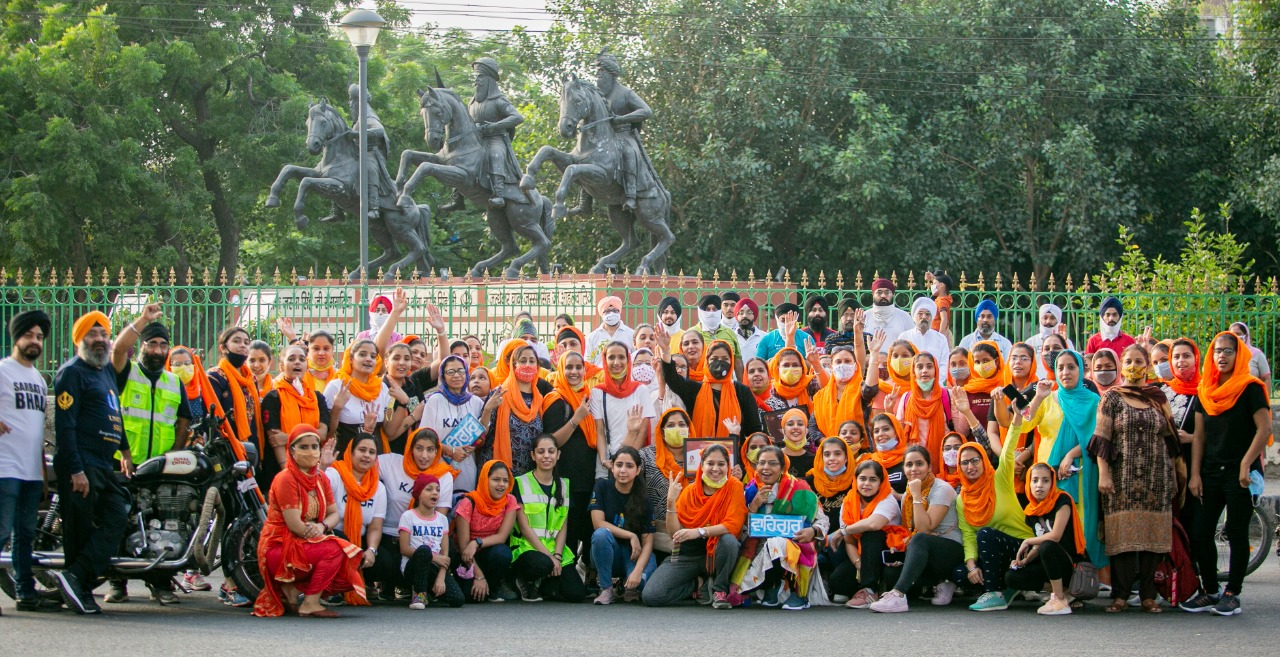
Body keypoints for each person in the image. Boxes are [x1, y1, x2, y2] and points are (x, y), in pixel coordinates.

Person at [104, 306, 195, 604]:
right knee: (121, 521)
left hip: (161, 467)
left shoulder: (174, 381)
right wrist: (143, 321)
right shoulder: (126, 372)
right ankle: (117, 583)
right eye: (152, 343)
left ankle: (161, 582)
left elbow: (184, 421)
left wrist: (175, 455)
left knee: (164, 522)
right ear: (142, 345)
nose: (157, 349)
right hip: (124, 462)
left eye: (162, 345)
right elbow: (118, 348)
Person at [1182, 331, 1272, 616]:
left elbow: (1264, 429)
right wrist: (1195, 474)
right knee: (1200, 532)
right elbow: (1199, 437)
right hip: (1210, 472)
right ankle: (1210, 590)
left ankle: (1232, 593)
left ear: (1240, 355)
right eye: (1218, 351)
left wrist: (1246, 464)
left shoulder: (1250, 388)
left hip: (1240, 473)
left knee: (1235, 532)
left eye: (1229, 351)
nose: (1222, 356)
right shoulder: (1205, 391)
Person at [50, 311, 130, 615]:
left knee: (116, 517)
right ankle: (78, 589)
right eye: (93, 335)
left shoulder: (105, 371)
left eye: (104, 334)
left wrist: (124, 450)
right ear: (79, 340)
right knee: (79, 530)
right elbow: (65, 426)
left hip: (104, 462)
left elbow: (114, 413)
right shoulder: (72, 372)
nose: (100, 340)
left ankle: (75, 578)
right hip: (82, 461)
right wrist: (75, 470)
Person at [1088, 344, 1175, 614]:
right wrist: (1104, 474)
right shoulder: (1112, 398)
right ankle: (1121, 596)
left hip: (1156, 479)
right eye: (1129, 361)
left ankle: (1149, 596)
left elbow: (1171, 438)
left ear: (1148, 364)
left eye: (1139, 361)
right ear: (1122, 365)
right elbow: (1101, 438)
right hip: (1121, 480)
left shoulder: (1157, 397)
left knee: (1152, 538)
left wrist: (1176, 476)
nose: (1134, 366)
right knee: (1122, 539)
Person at [253, 424, 365, 618]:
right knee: (336, 550)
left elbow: (334, 514)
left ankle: (294, 590)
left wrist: (321, 526)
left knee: (350, 572)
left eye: (314, 446)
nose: (310, 451)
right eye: (303, 447)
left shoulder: (321, 478)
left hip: (307, 541)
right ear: (291, 451)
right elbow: (295, 525)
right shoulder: (285, 479)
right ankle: (310, 603)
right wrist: (317, 534)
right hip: (280, 548)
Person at [1012, 351, 1106, 569]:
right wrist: (1038, 396)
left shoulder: (1093, 401)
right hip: (1047, 474)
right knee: (1049, 524)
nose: (1065, 372)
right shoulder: (1048, 399)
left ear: (1081, 370)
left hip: (1080, 470)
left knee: (1079, 520)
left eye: (1071, 367)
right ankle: (1055, 576)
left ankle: (1082, 575)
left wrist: (1071, 455)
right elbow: (1025, 425)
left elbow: (1096, 435)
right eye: (1060, 367)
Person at [0, 310, 60, 613]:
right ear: (17, 338)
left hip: (30, 471)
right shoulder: (3, 370)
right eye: (29, 335)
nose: (35, 341)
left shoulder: (37, 377)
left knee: (25, 536)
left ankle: (25, 592)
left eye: (39, 337)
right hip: (4, 468)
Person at [643, 444, 746, 609]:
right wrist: (671, 502)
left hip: (717, 554)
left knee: (729, 541)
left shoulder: (734, 486)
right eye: (710, 463)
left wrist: (699, 532)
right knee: (652, 596)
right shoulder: (690, 490)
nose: (715, 468)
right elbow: (674, 533)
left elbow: (732, 525)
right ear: (702, 465)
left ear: (728, 466)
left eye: (721, 464)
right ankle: (698, 585)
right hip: (688, 554)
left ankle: (719, 589)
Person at [868, 445, 964, 613]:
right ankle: (942, 583)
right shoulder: (908, 494)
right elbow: (909, 531)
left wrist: (918, 495)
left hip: (951, 550)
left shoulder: (942, 489)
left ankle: (898, 595)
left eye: (919, 464)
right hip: (926, 548)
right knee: (891, 573)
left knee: (920, 539)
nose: (913, 469)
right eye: (909, 464)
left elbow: (924, 528)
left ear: (929, 467)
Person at [733, 446, 823, 610]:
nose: (766, 468)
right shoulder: (750, 490)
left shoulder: (799, 488)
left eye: (772, 463)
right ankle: (770, 587)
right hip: (756, 549)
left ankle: (798, 593)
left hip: (794, 548)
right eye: (762, 463)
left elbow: (822, 521)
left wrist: (813, 531)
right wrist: (753, 505)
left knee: (777, 543)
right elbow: (740, 527)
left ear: (782, 468)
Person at [373, 428, 456, 599]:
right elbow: (360, 466)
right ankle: (394, 583)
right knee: (384, 564)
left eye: (430, 449)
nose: (424, 455)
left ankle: (421, 587)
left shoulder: (443, 475)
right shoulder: (391, 463)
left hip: (425, 539)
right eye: (419, 448)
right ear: (410, 449)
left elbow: (439, 522)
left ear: (437, 451)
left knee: (452, 551)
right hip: (391, 536)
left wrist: (433, 558)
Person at [957, 430, 1031, 612]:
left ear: (984, 460)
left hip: (1023, 548)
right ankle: (1009, 587)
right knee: (959, 574)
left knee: (985, 533)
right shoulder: (962, 499)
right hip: (995, 555)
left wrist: (1017, 422)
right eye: (964, 462)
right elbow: (968, 535)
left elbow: (1007, 452)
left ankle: (993, 592)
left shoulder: (1000, 479)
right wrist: (972, 566)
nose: (970, 466)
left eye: (975, 460)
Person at [509, 434, 587, 603]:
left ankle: (545, 585)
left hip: (554, 550)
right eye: (541, 452)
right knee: (542, 564)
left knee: (576, 594)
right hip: (527, 549)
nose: (546, 456)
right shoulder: (520, 483)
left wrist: (557, 556)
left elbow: (562, 526)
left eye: (551, 452)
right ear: (533, 456)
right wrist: (550, 558)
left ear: (558, 455)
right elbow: (524, 528)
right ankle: (524, 579)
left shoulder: (564, 485)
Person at [1001, 463, 1085, 616]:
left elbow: (1055, 536)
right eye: (1035, 480)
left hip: (1071, 564)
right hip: (1051, 560)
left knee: (1048, 545)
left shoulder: (1062, 500)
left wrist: (1028, 541)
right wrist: (1024, 561)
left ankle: (1059, 600)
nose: (1039, 485)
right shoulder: (1032, 511)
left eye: (1045, 481)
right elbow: (1039, 544)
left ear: (1052, 483)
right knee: (1012, 577)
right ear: (1028, 483)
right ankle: (1065, 591)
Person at [540, 350, 597, 560]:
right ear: (561, 370)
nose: (574, 372)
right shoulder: (556, 399)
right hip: (566, 477)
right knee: (568, 527)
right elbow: (551, 443)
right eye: (569, 367)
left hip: (587, 476)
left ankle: (587, 572)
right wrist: (576, 419)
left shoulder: (588, 395)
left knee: (586, 525)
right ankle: (566, 571)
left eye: (578, 367)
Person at [655, 328, 762, 439]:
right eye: (714, 358)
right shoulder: (694, 389)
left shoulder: (742, 391)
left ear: (731, 362)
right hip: (698, 453)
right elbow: (671, 378)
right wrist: (665, 350)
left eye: (725, 358)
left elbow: (753, 429)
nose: (719, 362)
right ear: (707, 361)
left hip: (733, 454)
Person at [325, 433, 388, 606]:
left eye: (372, 452)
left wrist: (372, 550)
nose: (367, 455)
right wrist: (322, 466)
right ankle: (331, 589)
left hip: (357, 543)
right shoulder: (335, 474)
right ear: (350, 453)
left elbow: (375, 527)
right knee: (343, 544)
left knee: (387, 563)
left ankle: (360, 583)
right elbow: (316, 486)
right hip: (330, 538)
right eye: (362, 450)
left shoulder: (378, 488)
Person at [590, 446, 658, 604]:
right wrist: (631, 535)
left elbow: (648, 543)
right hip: (608, 552)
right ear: (612, 467)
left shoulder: (644, 498)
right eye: (619, 465)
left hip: (634, 554)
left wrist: (638, 570)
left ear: (638, 469)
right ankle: (606, 589)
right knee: (601, 534)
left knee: (643, 584)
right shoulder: (602, 486)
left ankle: (630, 586)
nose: (623, 470)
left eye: (629, 466)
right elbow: (598, 523)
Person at [835, 460, 907, 609]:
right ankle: (868, 586)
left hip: (888, 554)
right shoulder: (849, 501)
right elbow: (849, 541)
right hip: (863, 554)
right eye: (862, 478)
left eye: (873, 479)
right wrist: (859, 564)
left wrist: (842, 530)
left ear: (881, 482)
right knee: (838, 582)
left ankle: (870, 590)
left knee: (870, 534)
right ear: (856, 480)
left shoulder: (887, 500)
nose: (866, 483)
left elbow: (874, 524)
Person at [421, 355, 498, 493]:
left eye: (461, 371)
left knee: (463, 506)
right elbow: (424, 437)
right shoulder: (435, 401)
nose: (456, 375)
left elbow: (482, 435)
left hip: (467, 467)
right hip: (440, 465)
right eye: (450, 372)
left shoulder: (476, 402)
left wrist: (487, 410)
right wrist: (450, 451)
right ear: (443, 376)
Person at [261, 344, 332, 487]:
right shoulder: (273, 397)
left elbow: (323, 434)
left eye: (301, 359)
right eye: (291, 359)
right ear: (281, 366)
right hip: (282, 471)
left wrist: (287, 438)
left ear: (306, 366)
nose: (297, 362)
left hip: (312, 467)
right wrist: (289, 475)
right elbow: (275, 441)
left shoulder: (317, 398)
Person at [454, 459, 521, 602]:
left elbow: (502, 537)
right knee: (468, 597)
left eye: (505, 480)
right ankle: (481, 582)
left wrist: (476, 542)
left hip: (489, 552)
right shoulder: (469, 502)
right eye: (496, 480)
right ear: (485, 479)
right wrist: (479, 576)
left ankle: (493, 586)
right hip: (467, 557)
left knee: (502, 552)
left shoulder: (510, 501)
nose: (501, 485)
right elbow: (463, 547)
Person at [482, 341, 551, 477]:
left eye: (532, 361)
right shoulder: (500, 394)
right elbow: (481, 435)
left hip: (529, 474)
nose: (527, 365)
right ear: (514, 365)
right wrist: (487, 410)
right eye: (522, 361)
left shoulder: (539, 398)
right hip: (498, 472)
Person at [398, 473, 464, 609]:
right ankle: (419, 594)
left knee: (458, 599)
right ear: (418, 494)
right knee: (424, 550)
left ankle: (430, 590)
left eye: (437, 490)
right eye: (429, 489)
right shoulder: (408, 516)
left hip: (434, 567)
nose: (434, 493)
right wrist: (434, 557)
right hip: (413, 566)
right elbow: (404, 549)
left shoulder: (442, 519)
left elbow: (445, 553)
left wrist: (441, 577)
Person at [1161, 339, 1204, 544]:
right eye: (1176, 357)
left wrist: (1193, 438)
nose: (1181, 361)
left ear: (1196, 359)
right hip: (1165, 466)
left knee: (1192, 524)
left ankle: (1190, 572)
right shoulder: (1162, 391)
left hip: (1194, 466)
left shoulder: (1206, 391)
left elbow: (1220, 431)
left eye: (1186, 356)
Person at [591, 342, 654, 477]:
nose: (616, 362)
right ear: (605, 360)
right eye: (611, 357)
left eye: (621, 357)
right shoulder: (597, 392)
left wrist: (626, 461)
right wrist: (603, 460)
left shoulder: (640, 390)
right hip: (607, 464)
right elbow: (600, 432)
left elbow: (642, 432)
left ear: (628, 360)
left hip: (633, 463)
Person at [807, 437, 858, 603]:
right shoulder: (809, 482)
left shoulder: (856, 482)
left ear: (846, 457)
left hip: (844, 541)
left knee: (840, 540)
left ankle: (840, 582)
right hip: (816, 541)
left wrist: (841, 532)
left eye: (837, 454)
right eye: (827, 454)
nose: (832, 459)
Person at [324, 340, 392, 456]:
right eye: (362, 354)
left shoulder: (382, 387)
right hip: (345, 457)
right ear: (351, 359)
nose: (368, 359)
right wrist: (337, 407)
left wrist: (399, 403)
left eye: (373, 356)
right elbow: (327, 433)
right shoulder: (336, 386)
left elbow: (389, 428)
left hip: (375, 457)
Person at [896, 353, 957, 468]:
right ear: (913, 372)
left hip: (944, 462)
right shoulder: (906, 398)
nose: (924, 371)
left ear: (936, 370)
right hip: (915, 464)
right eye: (919, 367)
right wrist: (889, 410)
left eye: (929, 366)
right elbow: (899, 433)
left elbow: (961, 431)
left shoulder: (948, 395)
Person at [762, 342, 826, 448]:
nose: (791, 369)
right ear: (778, 368)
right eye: (786, 365)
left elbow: (827, 389)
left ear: (802, 367)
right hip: (781, 445)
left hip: (811, 442)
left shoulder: (810, 384)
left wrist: (816, 364)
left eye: (795, 365)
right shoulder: (771, 390)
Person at [812, 346, 867, 444]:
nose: (842, 365)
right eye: (838, 362)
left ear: (855, 366)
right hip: (829, 453)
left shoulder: (864, 391)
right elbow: (813, 427)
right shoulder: (821, 396)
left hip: (860, 451)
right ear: (831, 367)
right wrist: (831, 445)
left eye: (847, 361)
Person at [1024, 303, 1076, 379]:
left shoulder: (1066, 341)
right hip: (1035, 382)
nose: (1048, 321)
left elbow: (1073, 361)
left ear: (1058, 320)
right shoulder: (1031, 342)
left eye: (1052, 318)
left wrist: (1064, 343)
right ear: (1040, 319)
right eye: (1045, 318)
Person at [897, 297, 950, 369]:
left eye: (928, 314)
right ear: (914, 317)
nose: (924, 317)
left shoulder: (941, 339)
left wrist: (937, 380)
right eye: (920, 314)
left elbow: (945, 364)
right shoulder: (904, 337)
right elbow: (900, 362)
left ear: (932, 317)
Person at [863, 279, 913, 355]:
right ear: (873, 294)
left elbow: (912, 343)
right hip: (871, 363)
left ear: (892, 294)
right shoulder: (865, 316)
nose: (883, 295)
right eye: (879, 292)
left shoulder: (904, 316)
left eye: (887, 292)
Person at [690, 294, 741, 363]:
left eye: (714, 309)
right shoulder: (691, 334)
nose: (711, 313)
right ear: (701, 312)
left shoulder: (730, 333)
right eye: (707, 309)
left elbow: (737, 361)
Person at [585, 296, 634, 366]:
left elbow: (635, 360)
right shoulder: (592, 337)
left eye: (615, 311)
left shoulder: (631, 334)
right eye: (607, 311)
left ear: (619, 312)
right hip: (600, 376)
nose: (611, 314)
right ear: (602, 314)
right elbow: (588, 363)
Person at [867, 414, 908, 493]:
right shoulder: (870, 462)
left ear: (896, 432)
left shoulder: (909, 458)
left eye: (886, 429)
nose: (881, 434)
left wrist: (899, 497)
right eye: (876, 431)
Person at [1228, 322, 1273, 392]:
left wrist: (1266, 400)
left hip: (1253, 398)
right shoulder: (1226, 355)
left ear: (1246, 336)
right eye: (1232, 334)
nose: (1236, 337)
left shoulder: (1257, 354)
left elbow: (1266, 378)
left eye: (1238, 334)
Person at [779, 407, 814, 479]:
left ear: (806, 431)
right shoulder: (775, 456)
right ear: (783, 430)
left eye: (800, 424)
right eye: (790, 424)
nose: (795, 427)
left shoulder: (814, 460)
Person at [928, 272, 954, 336]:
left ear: (941, 285)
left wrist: (940, 335)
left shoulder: (941, 302)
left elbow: (944, 319)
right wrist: (933, 278)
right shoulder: (941, 300)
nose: (932, 286)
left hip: (937, 333)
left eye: (934, 283)